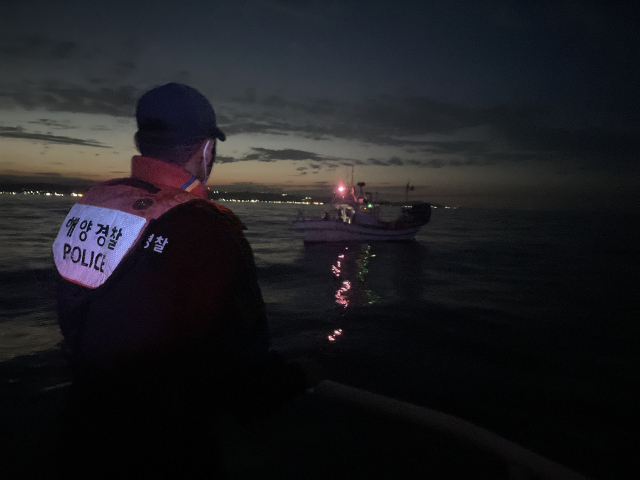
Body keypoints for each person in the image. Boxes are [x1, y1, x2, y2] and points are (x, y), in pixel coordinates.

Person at [52, 83, 308, 479]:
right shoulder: (208, 231)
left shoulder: (92, 205)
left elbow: (78, 312)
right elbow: (247, 377)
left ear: (139, 141)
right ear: (206, 150)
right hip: (162, 450)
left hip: (81, 430)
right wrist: (305, 374)